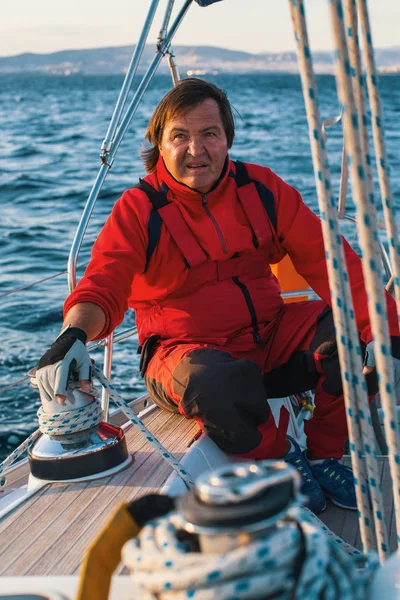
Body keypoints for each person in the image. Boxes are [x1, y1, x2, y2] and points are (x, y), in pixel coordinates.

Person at [36, 78, 400, 513]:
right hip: (183, 354)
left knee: (354, 336)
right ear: (159, 143)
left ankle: (323, 454)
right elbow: (104, 281)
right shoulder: (139, 209)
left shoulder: (261, 188)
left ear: (227, 138)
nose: (196, 149)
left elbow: (330, 262)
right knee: (216, 382)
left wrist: (385, 329)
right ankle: (279, 459)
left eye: (209, 133)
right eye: (180, 136)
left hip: (270, 339)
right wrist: (73, 334)